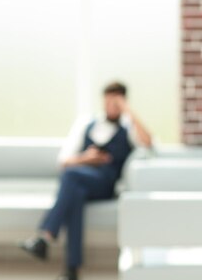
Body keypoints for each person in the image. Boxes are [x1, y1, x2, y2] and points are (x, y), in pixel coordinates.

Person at [19, 82, 153, 280]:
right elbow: (64, 161)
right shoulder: (86, 124)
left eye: (116, 102)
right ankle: (72, 271)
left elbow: (149, 142)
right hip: (81, 179)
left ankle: (45, 237)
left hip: (105, 184)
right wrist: (86, 158)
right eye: (108, 101)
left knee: (71, 177)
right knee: (75, 193)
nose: (111, 106)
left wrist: (128, 111)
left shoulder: (128, 128)